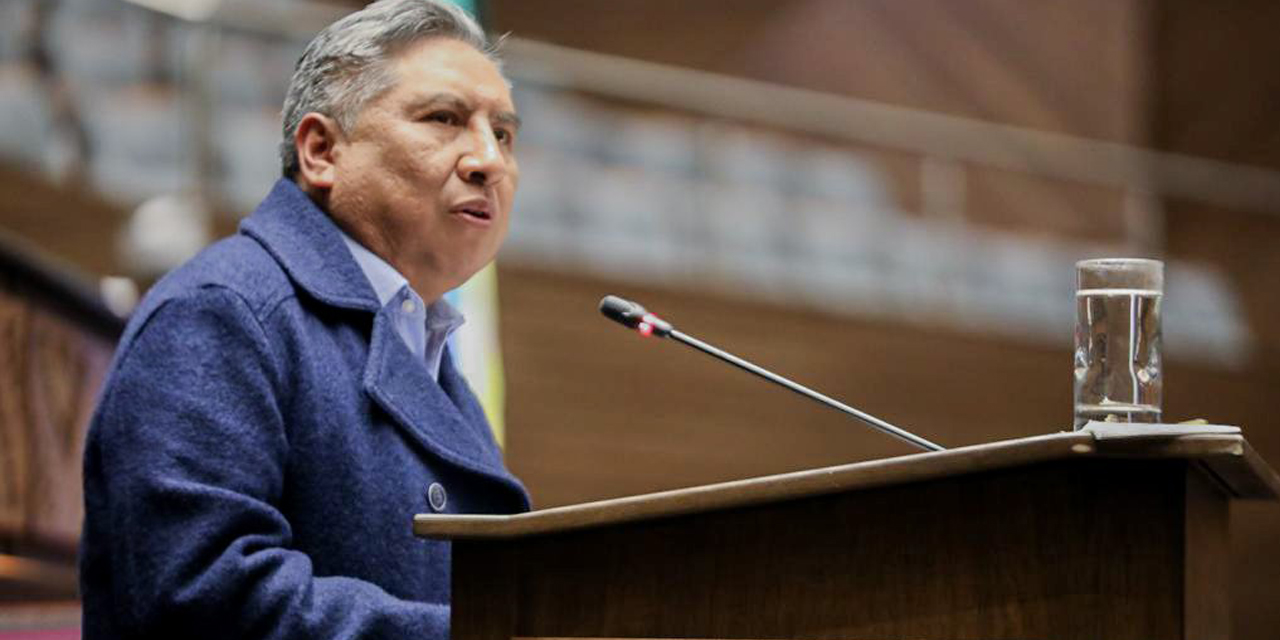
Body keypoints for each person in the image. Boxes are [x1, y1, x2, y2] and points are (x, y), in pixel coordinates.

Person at [78, 1, 529, 637]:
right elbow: (201, 597)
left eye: (503, 134)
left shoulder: (423, 346)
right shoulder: (221, 315)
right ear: (321, 151)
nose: (489, 160)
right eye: (444, 119)